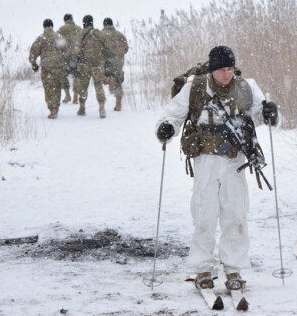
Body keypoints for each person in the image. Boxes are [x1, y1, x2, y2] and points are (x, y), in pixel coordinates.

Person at [155, 46, 279, 294]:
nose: (226, 74)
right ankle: (203, 268)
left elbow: (260, 114)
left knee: (236, 212)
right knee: (204, 212)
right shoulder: (196, 87)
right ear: (212, 69)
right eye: (222, 69)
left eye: (230, 68)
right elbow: (173, 114)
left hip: (236, 160)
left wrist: (270, 113)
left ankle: (233, 268)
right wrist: (166, 128)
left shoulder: (246, 86)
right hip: (206, 160)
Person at [29, 19, 67, 119]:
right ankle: (56, 107)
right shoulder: (59, 37)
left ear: (44, 26)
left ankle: (52, 109)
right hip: (58, 67)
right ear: (52, 26)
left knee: (49, 88)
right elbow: (65, 51)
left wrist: (34, 64)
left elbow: (33, 53)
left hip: (47, 68)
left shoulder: (41, 38)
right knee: (57, 87)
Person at [75, 15, 111, 118]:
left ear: (83, 23)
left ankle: (82, 108)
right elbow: (107, 48)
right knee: (99, 85)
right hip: (97, 65)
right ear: (92, 22)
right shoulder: (99, 33)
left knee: (83, 87)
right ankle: (102, 108)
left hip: (84, 65)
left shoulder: (80, 34)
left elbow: (76, 51)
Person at [100, 17, 129, 111]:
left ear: (104, 24)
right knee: (118, 81)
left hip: (105, 61)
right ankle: (118, 104)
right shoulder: (120, 35)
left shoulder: (100, 35)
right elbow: (126, 49)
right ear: (112, 24)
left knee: (101, 78)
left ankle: (108, 80)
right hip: (118, 62)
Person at [57, 13, 82, 104]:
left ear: (65, 20)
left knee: (62, 75)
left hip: (65, 57)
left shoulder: (62, 29)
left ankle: (67, 95)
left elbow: (57, 41)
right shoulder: (79, 29)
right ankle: (75, 96)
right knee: (77, 76)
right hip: (77, 57)